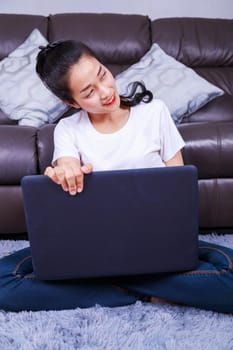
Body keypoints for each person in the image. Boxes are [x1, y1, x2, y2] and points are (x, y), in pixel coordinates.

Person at [0, 41, 233, 313]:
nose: (106, 91)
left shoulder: (154, 112)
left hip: (156, 240)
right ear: (71, 102)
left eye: (102, 74)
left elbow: (178, 191)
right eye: (89, 92)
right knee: (4, 280)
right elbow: (66, 162)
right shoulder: (67, 129)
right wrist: (65, 171)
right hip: (92, 246)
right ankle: (147, 288)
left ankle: (112, 287)